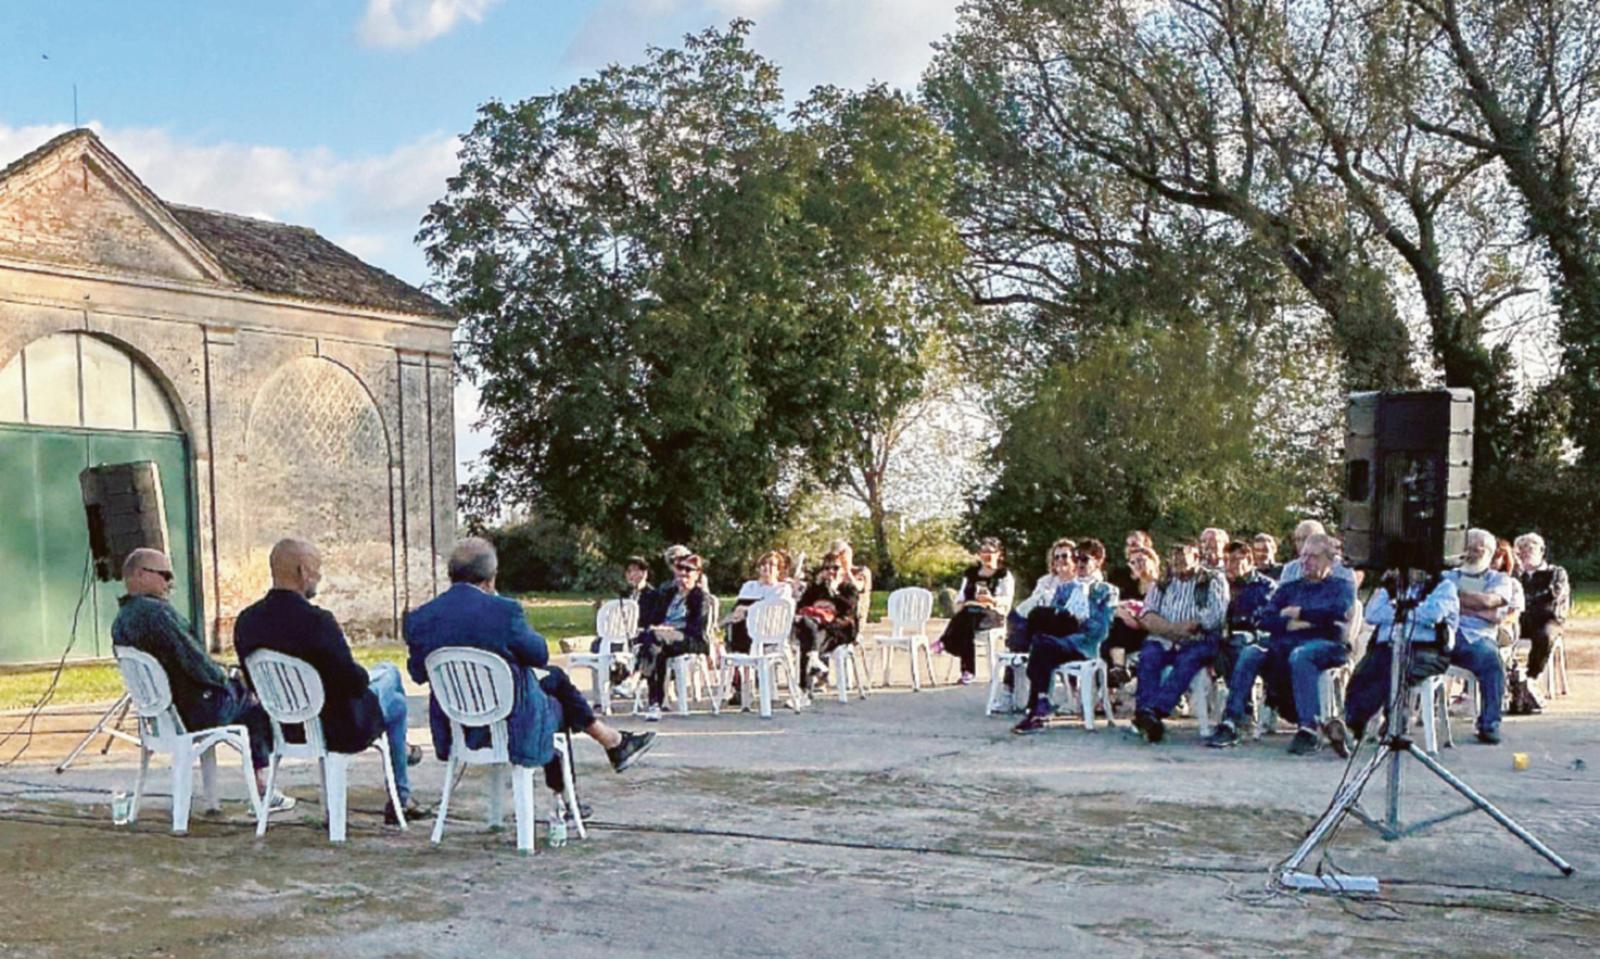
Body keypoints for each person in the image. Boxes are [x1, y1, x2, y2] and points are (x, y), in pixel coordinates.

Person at [405, 538, 655, 813]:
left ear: (450, 575)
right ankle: (571, 794)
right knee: (555, 701)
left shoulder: (420, 618)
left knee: (555, 678)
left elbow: (417, 673)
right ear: (491, 578)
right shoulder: (504, 611)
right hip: (513, 725)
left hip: (459, 725)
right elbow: (538, 655)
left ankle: (612, 743)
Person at [234, 538, 425, 823]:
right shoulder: (317, 621)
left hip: (282, 728)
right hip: (338, 728)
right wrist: (362, 675)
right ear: (303, 571)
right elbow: (353, 682)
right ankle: (400, 794)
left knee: (388, 682)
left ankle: (404, 763)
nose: (319, 577)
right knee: (393, 686)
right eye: (317, 569)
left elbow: (252, 680)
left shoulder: (246, 622)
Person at [110, 548, 290, 813]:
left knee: (243, 694)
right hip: (194, 712)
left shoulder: (121, 619)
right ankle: (263, 788)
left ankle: (246, 792)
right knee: (254, 702)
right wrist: (230, 678)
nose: (170, 583)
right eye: (165, 575)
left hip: (163, 716)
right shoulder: (158, 614)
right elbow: (197, 663)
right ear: (140, 575)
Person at [1213, 534, 1354, 755]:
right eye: (1304, 556)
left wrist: (1298, 612)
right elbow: (1264, 619)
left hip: (1327, 646)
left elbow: (1337, 617)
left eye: (1314, 557)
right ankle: (1231, 721)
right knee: (1251, 652)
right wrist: (1294, 625)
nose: (1306, 562)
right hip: (1285, 645)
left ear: (1330, 560)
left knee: (1301, 655)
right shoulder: (1289, 588)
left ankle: (1309, 729)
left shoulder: (1341, 587)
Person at [1324, 572, 1459, 754]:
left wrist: (1397, 610)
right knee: (1363, 672)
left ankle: (1393, 725)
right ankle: (1351, 727)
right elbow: (1372, 614)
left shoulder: (1443, 586)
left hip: (1427, 651)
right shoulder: (1390, 587)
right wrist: (1412, 611)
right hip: (1387, 647)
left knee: (1394, 669)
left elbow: (1433, 614)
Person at [1011, 539, 1119, 733]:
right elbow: (1055, 616)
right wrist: (1066, 621)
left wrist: (1078, 623)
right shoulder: (1065, 588)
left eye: (1084, 559)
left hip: (1085, 643)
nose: (1079, 564)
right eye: (1076, 559)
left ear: (1098, 562)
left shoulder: (1107, 591)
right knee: (1039, 632)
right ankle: (1040, 704)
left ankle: (1037, 707)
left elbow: (1102, 628)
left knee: (1040, 645)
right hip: (1060, 639)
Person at [1131, 542, 1228, 743]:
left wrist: (1192, 626)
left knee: (1188, 659)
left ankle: (1155, 711)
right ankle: (1146, 712)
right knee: (1149, 655)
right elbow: (1147, 614)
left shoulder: (1212, 579)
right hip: (1164, 636)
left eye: (1183, 555)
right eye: (1174, 556)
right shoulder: (1163, 582)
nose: (1177, 560)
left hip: (1199, 638)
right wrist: (1172, 629)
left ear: (1196, 557)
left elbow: (1215, 616)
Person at [1442, 528, 1517, 744]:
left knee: (1492, 663)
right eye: (1467, 546)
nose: (1472, 552)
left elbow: (1492, 605)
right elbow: (1483, 607)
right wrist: (1479, 607)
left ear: (1490, 552)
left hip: (1477, 638)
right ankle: (1391, 720)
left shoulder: (1500, 580)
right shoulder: (1447, 575)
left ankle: (1489, 724)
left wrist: (1454, 600)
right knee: (1399, 649)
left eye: (1478, 548)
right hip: (1444, 633)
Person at [1201, 542, 1277, 748]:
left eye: (1235, 560)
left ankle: (1233, 717)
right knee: (1207, 647)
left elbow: (1263, 617)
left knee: (1239, 646)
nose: (1230, 566)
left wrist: (1240, 616)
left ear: (1249, 560)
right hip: (1222, 637)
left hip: (1254, 638)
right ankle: (1242, 711)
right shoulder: (1219, 584)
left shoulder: (1264, 585)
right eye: (1226, 561)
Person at [628, 552, 715, 721]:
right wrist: (658, 628)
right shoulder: (668, 593)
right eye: (680, 572)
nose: (683, 576)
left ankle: (636, 676)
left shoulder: (700, 597)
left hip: (689, 639)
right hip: (664, 639)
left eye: (688, 573)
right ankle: (655, 705)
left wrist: (667, 628)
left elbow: (697, 627)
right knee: (655, 649)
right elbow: (655, 618)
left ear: (697, 575)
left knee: (655, 638)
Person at [933, 537, 1014, 685]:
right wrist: (966, 602)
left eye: (991, 552)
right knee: (967, 621)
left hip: (993, 615)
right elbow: (960, 597)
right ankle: (968, 672)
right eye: (983, 551)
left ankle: (946, 643)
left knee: (966, 619)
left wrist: (991, 600)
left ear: (999, 554)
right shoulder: (971, 573)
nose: (987, 555)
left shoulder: (1003, 575)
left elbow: (1007, 600)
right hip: (970, 613)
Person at [791, 553, 861, 696]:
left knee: (809, 641)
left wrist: (834, 592)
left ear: (843, 570)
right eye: (827, 568)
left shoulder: (848, 589)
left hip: (839, 631)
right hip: (817, 631)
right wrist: (815, 586)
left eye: (835, 568)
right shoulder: (817, 588)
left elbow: (849, 609)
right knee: (808, 632)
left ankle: (804, 690)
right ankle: (814, 661)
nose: (831, 572)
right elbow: (801, 607)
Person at [1515, 533, 1570, 694]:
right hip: (1521, 621)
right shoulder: (1516, 575)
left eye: (1532, 547)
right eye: (1523, 548)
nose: (1527, 551)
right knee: (1494, 633)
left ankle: (1530, 678)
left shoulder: (1556, 573)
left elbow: (1554, 596)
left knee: (1544, 636)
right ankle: (1508, 678)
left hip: (1548, 620)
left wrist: (1526, 600)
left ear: (1542, 551)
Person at [1007, 538, 1077, 654]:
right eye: (1056, 557)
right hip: (1038, 621)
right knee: (1017, 617)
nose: (1060, 560)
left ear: (1074, 559)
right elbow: (1033, 603)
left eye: (1064, 556)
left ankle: (1019, 653)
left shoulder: (1078, 583)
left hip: (1062, 624)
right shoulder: (1045, 581)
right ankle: (1017, 658)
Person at [1103, 545, 1160, 688]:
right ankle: (1114, 680)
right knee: (1107, 636)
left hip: (1152, 632)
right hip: (1128, 632)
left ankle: (1119, 670)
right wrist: (1121, 612)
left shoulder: (1161, 587)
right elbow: (1118, 605)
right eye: (1133, 562)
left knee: (1118, 627)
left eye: (1141, 560)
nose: (1137, 565)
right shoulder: (1130, 587)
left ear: (1152, 561)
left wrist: (1134, 619)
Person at [1276, 520, 1357, 585]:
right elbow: (1280, 601)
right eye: (1298, 539)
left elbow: (1346, 600)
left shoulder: (1342, 567)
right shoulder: (1290, 569)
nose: (1301, 543)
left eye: (1305, 538)